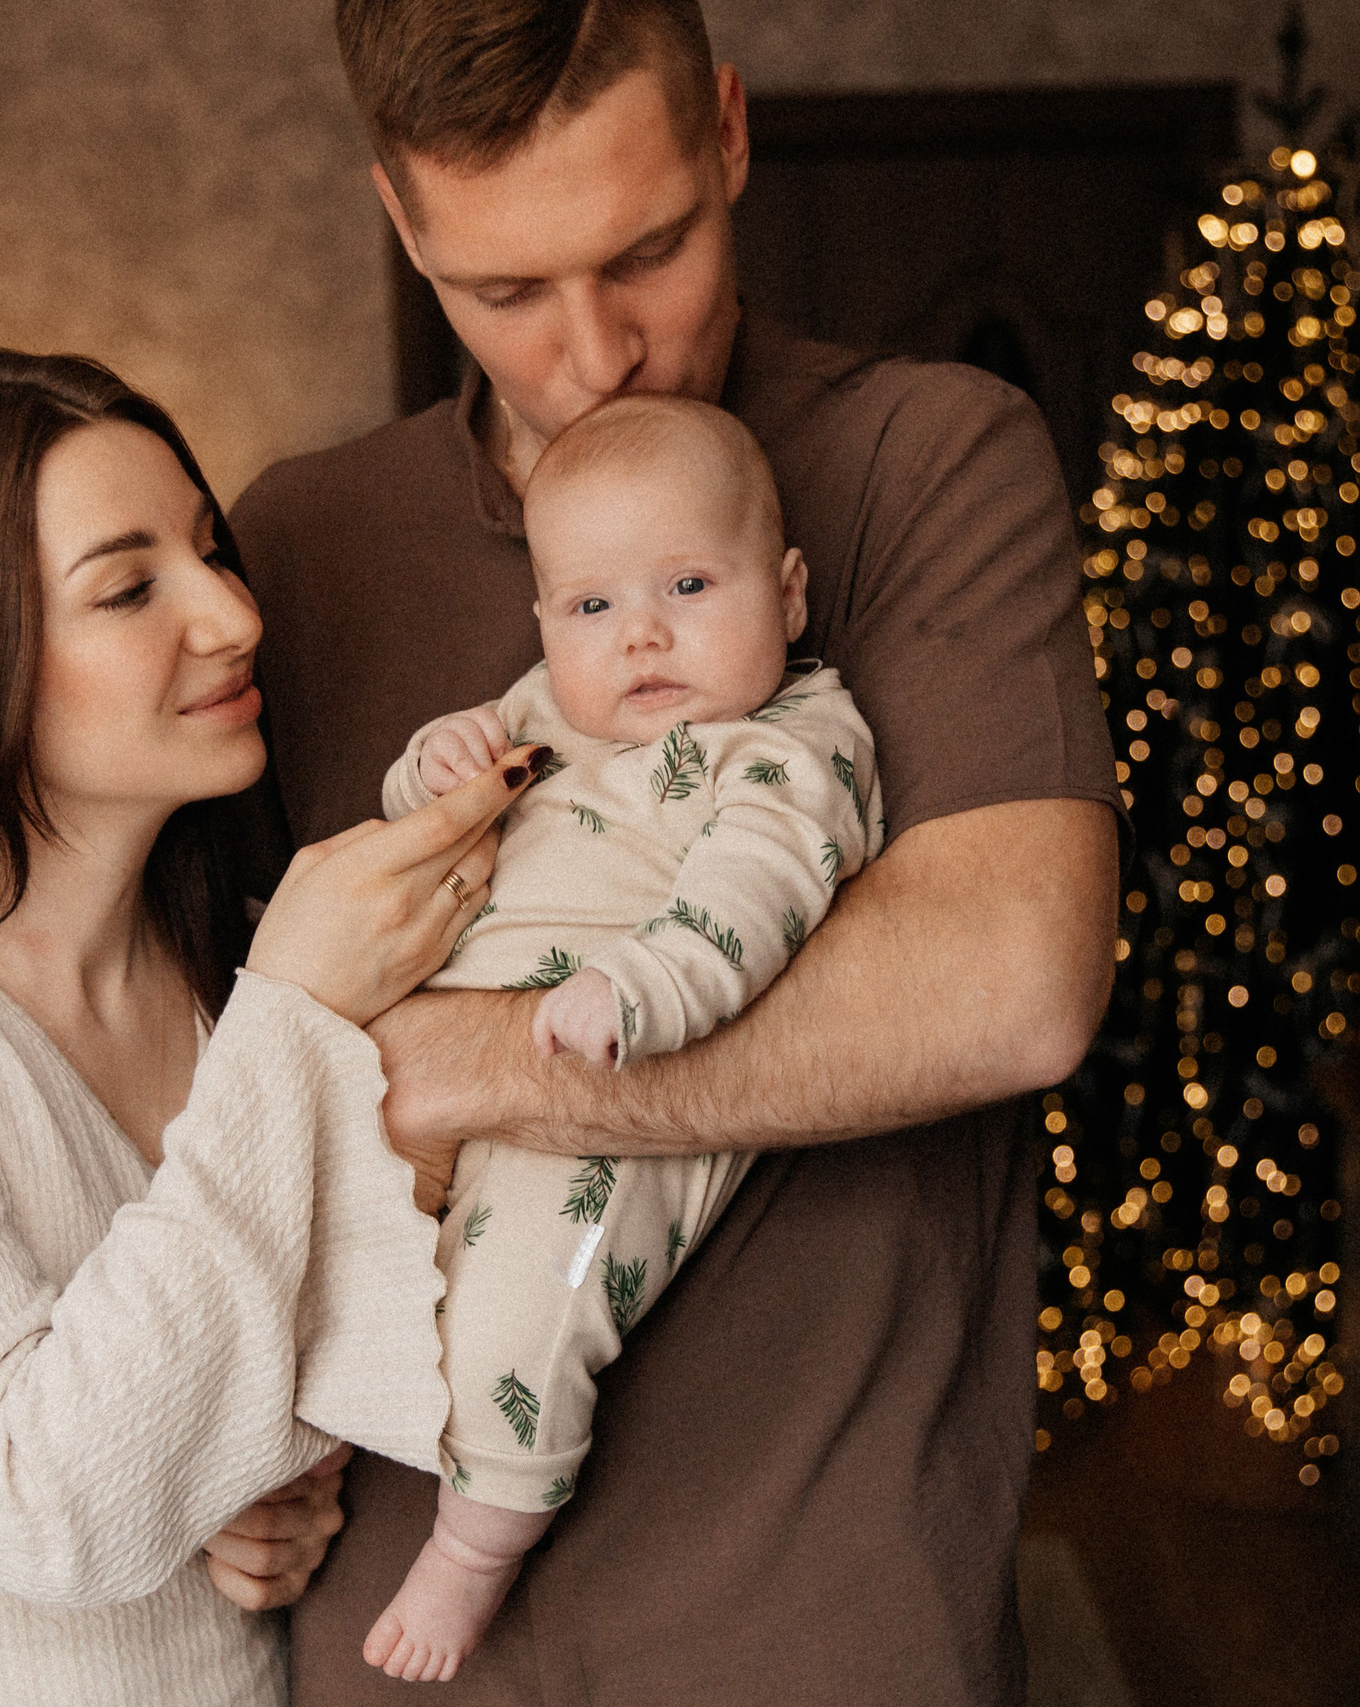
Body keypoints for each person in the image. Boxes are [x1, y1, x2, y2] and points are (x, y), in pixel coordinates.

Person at [0, 1, 1122, 1700]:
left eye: (647, 250)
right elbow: (107, 1110)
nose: (594, 353)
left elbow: (1009, 986)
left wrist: (430, 1067)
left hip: (804, 1620)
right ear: (402, 221)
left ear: (729, 133)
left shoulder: (923, 461)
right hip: (364, 1642)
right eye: (504, 290)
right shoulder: (298, 545)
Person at [0, 350, 540, 1704]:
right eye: (129, 586)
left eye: (207, 549)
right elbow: (50, 1506)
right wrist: (297, 1011)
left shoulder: (225, 972)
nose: (234, 613)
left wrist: (267, 1480)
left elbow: (307, 1374)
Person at [364, 394, 881, 1681]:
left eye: (691, 585)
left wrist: (644, 989)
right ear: (544, 622)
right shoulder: (549, 708)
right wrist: (438, 760)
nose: (640, 633)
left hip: (608, 1101)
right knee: (321, 1276)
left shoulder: (780, 745)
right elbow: (422, 815)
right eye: (589, 606)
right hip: (440, 1088)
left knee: (520, 1319)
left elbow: (759, 891)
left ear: (790, 592)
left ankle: (478, 1546)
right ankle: (289, 1461)